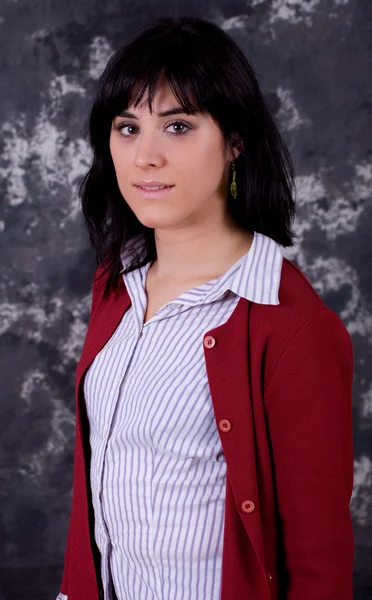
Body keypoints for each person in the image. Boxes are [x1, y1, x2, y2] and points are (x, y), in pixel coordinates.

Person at [56, 16, 354, 600]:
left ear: (235, 139)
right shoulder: (116, 285)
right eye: (127, 127)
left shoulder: (291, 326)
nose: (146, 156)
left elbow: (319, 559)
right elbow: (98, 484)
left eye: (178, 125)